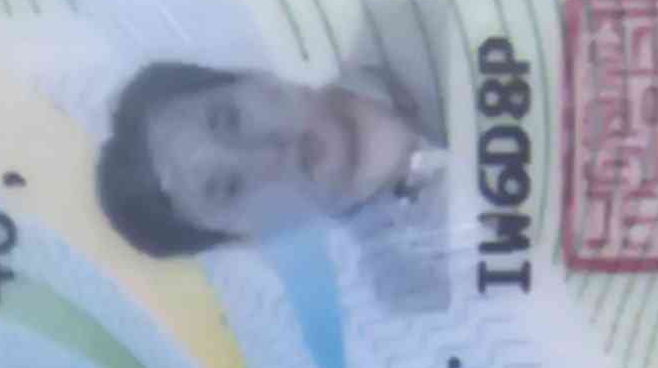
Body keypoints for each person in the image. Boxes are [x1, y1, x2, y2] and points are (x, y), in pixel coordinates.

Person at [94, 55, 446, 258]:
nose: (269, 154)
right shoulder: (428, 278)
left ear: (256, 78)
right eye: (228, 188)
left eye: (228, 120)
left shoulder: (419, 8)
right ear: (253, 238)